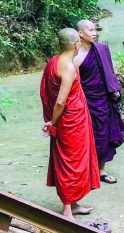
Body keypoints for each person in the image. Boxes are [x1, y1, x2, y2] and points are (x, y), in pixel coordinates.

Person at [41, 28, 100, 219]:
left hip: (73, 120)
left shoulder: (53, 62)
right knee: (72, 163)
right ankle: (67, 210)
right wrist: (53, 123)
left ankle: (73, 204)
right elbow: (60, 100)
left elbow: (46, 91)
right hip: (70, 122)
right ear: (76, 45)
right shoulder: (68, 67)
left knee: (72, 161)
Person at [73, 18, 124, 184]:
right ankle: (86, 169)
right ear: (80, 33)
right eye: (90, 30)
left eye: (95, 30)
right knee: (85, 136)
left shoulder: (102, 49)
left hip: (104, 99)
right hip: (85, 101)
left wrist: (114, 89)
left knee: (104, 134)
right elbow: (73, 81)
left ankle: (101, 170)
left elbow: (110, 72)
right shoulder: (75, 55)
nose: (94, 33)